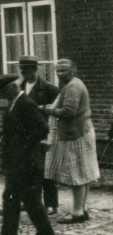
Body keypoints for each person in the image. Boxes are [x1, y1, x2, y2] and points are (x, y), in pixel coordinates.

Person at [0, 74, 56, 235]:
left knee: (31, 200)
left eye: (3, 92)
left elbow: (42, 128)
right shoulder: (13, 105)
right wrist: (6, 162)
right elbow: (9, 138)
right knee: (10, 197)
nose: (1, 96)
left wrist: (25, 147)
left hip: (28, 162)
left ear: (12, 88)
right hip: (16, 163)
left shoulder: (26, 104)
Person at [42, 59, 101, 224]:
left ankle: (77, 213)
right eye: (58, 71)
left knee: (77, 174)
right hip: (82, 131)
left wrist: (51, 110)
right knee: (84, 173)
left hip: (76, 134)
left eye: (64, 71)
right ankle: (82, 208)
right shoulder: (72, 84)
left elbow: (69, 112)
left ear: (73, 70)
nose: (60, 74)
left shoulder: (73, 86)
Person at [17, 55, 61, 214]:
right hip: (24, 135)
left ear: (35, 69)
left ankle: (51, 204)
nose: (24, 73)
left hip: (42, 134)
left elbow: (55, 113)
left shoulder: (49, 88)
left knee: (46, 170)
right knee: (28, 169)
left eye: (27, 70)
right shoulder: (19, 87)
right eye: (22, 70)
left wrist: (50, 136)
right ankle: (32, 202)